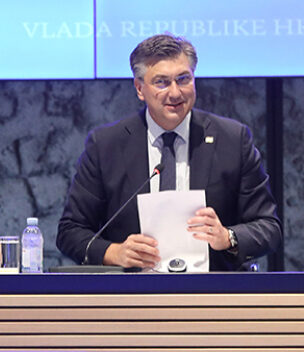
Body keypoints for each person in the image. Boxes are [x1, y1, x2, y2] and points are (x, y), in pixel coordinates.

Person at [56, 34, 281, 271]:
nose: (175, 93)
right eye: (161, 82)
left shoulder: (233, 140)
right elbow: (70, 231)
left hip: (213, 288)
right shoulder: (106, 145)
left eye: (183, 79)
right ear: (139, 88)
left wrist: (228, 237)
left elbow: (269, 228)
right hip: (132, 289)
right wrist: (114, 252)